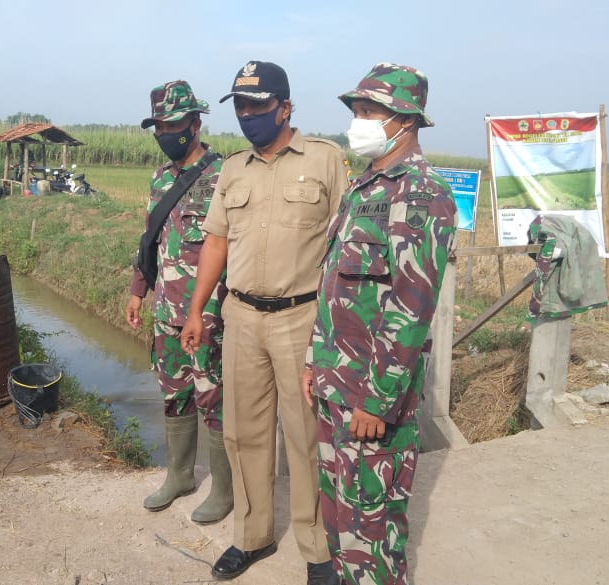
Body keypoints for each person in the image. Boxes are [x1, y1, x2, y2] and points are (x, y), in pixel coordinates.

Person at [181, 61, 349, 585]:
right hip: (241, 317)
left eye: (258, 105)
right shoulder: (234, 169)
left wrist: (337, 325)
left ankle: (317, 549)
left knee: (305, 437)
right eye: (241, 106)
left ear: (285, 107)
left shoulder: (325, 159)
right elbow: (216, 241)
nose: (248, 115)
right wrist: (196, 310)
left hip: (301, 317)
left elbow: (344, 245)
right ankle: (252, 537)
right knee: (245, 433)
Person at [303, 63, 457, 585]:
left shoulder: (421, 192)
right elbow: (334, 288)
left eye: (369, 111)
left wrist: (378, 399)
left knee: (371, 534)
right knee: (340, 522)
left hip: (371, 398)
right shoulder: (365, 186)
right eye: (357, 110)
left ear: (405, 119)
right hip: (335, 384)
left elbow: (411, 307)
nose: (358, 121)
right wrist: (313, 363)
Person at [125, 80, 233, 524]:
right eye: (159, 127)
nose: (165, 134)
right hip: (166, 311)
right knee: (174, 394)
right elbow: (149, 239)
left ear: (195, 123)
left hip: (207, 315)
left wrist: (204, 312)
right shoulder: (160, 178)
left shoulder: (224, 176)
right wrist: (138, 289)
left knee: (214, 398)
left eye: (173, 125)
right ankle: (180, 476)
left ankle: (224, 489)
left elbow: (228, 247)